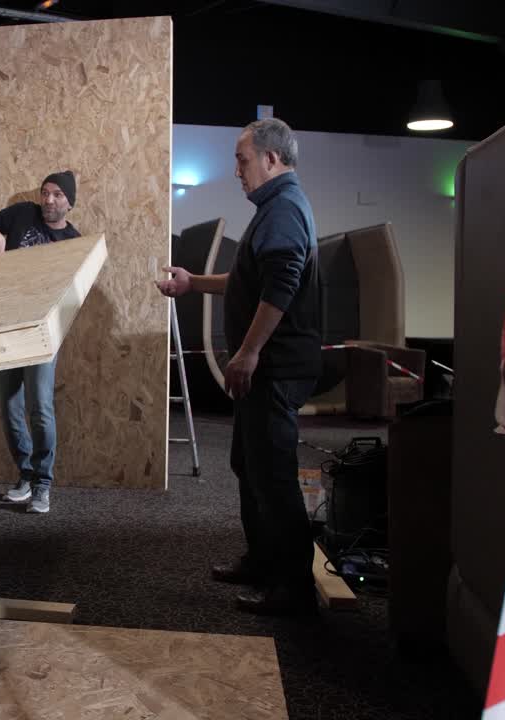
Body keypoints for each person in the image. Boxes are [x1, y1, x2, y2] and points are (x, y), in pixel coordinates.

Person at [156, 119, 322, 615]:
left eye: (242, 160)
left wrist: (248, 352)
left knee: (273, 475)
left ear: (271, 160)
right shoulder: (276, 207)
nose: (236, 170)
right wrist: (193, 283)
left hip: (276, 366)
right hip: (269, 365)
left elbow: (282, 285)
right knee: (249, 466)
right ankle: (262, 561)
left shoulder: (285, 207)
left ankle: (293, 590)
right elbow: (248, 278)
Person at [0, 171, 80, 514]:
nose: (49, 200)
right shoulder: (21, 214)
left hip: (42, 331)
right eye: (45, 193)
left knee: (41, 407)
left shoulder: (74, 242)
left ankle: (43, 484)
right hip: (6, 325)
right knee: (9, 406)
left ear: (69, 202)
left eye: (57, 195)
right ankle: (26, 473)